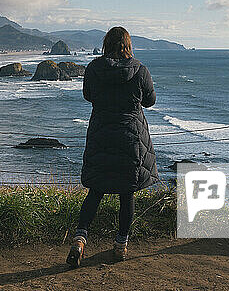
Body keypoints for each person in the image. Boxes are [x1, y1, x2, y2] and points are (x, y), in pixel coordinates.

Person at [66, 26, 159, 268]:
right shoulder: (140, 70)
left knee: (96, 190)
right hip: (131, 139)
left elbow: (88, 95)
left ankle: (79, 239)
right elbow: (149, 101)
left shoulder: (94, 68)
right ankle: (120, 245)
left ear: (106, 44)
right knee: (126, 193)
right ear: (128, 45)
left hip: (101, 134)